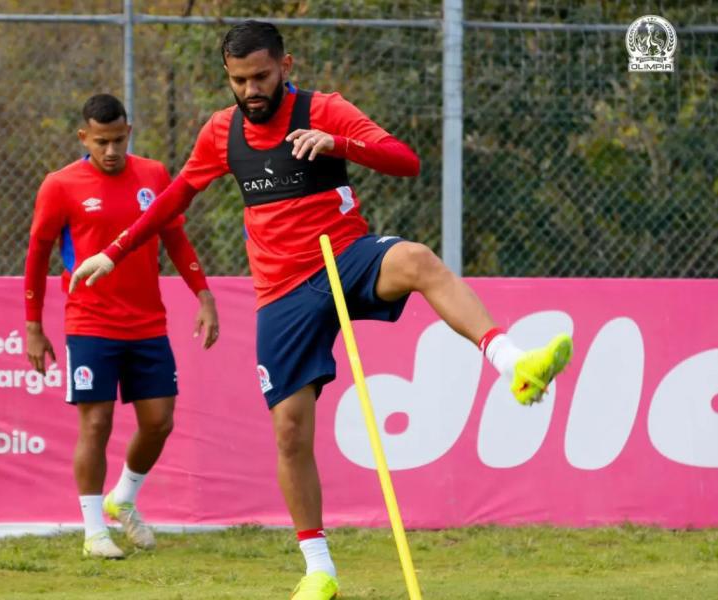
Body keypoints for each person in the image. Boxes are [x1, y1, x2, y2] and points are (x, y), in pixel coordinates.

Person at [69, 22, 572, 598]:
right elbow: (177, 197)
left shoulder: (325, 109)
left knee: (418, 260)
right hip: (281, 293)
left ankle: (512, 364)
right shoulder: (220, 132)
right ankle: (319, 568)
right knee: (289, 432)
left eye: (261, 75)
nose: (251, 89)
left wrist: (339, 144)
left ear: (288, 66)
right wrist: (114, 251)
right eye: (239, 80)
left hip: (346, 255)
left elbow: (404, 161)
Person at [24, 93, 219, 559]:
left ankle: (124, 498)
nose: (110, 151)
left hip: (148, 322)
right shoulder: (60, 185)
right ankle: (94, 532)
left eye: (118, 140)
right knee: (97, 421)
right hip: (89, 321)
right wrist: (33, 325)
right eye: (101, 142)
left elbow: (175, 236)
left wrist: (204, 295)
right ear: (83, 137)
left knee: (159, 422)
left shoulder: (153, 175)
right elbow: (37, 255)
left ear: (128, 132)